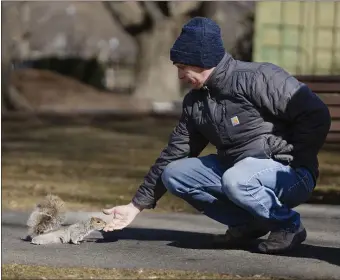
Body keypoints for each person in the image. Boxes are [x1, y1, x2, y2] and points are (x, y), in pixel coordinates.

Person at [102, 17, 331, 254]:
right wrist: (135, 205)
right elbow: (174, 153)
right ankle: (249, 224)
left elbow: (316, 114)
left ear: (201, 60)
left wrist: (295, 156)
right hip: (240, 173)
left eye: (182, 67)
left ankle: (288, 225)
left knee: (237, 179)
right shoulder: (195, 102)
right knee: (176, 174)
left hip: (290, 172)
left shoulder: (258, 77)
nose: (180, 76)